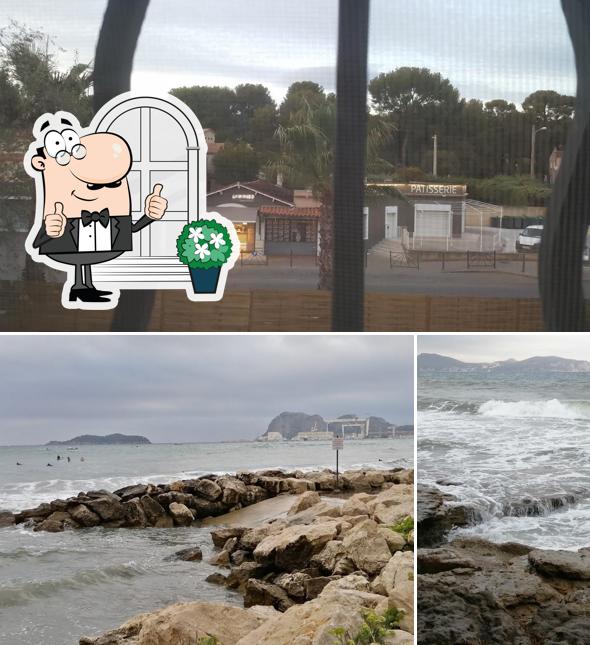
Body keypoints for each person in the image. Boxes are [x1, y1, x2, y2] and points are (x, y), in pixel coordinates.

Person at [26, 112, 168, 305]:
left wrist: (150, 215)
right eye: (93, 185)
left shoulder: (113, 217)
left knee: (84, 259)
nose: (99, 190)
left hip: (99, 243)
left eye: (113, 184)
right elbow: (36, 243)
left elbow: (131, 228)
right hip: (68, 242)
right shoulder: (59, 213)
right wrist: (50, 232)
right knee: (79, 259)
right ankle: (79, 287)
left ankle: (84, 287)